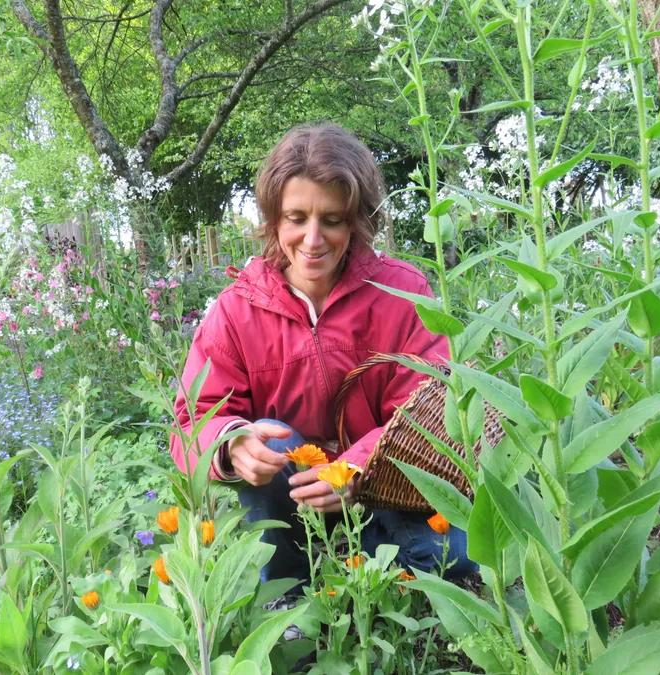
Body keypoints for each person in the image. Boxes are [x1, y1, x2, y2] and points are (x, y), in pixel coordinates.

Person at [170, 123, 477, 591]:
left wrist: (352, 468)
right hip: (287, 499)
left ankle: (374, 557)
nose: (312, 240)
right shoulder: (235, 311)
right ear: (274, 219)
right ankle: (286, 588)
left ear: (355, 220)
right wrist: (229, 446)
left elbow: (435, 412)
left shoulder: (402, 292)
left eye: (331, 220)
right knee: (269, 439)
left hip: (383, 489)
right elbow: (190, 423)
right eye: (296, 218)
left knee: (456, 556)